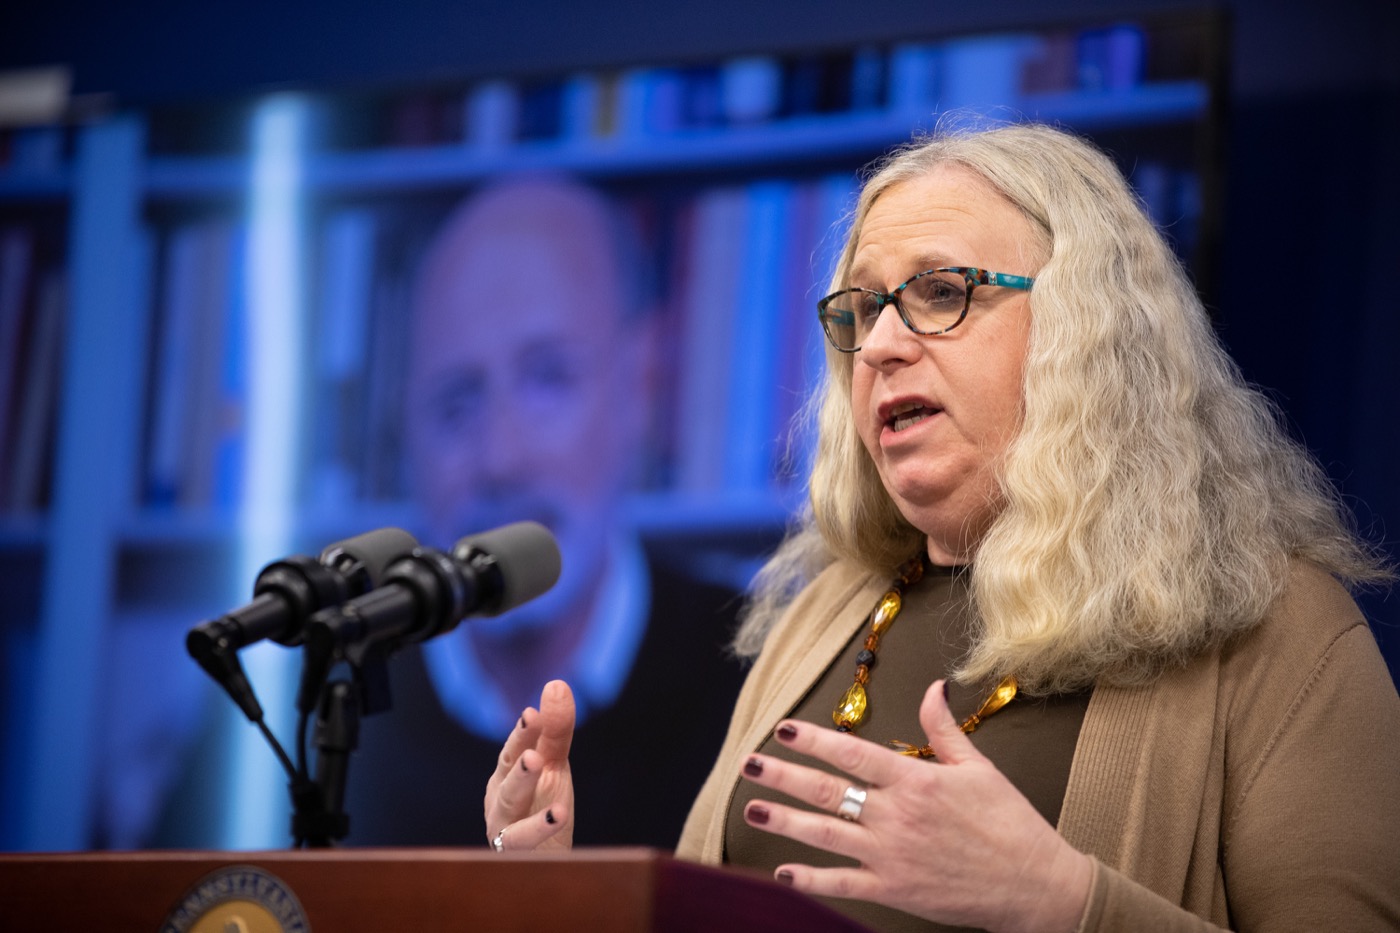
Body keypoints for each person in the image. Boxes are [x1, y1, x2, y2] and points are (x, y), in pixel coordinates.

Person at [482, 123, 1400, 931]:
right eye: (864, 308)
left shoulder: (1278, 632)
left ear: (1089, 333)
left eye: (940, 291)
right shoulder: (823, 619)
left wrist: (1062, 903)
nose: (880, 343)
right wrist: (555, 890)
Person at [345, 177, 746, 848]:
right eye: (454, 402)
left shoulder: (755, 681)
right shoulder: (322, 703)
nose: (501, 457)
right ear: (403, 436)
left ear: (640, 386)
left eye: (548, 379)